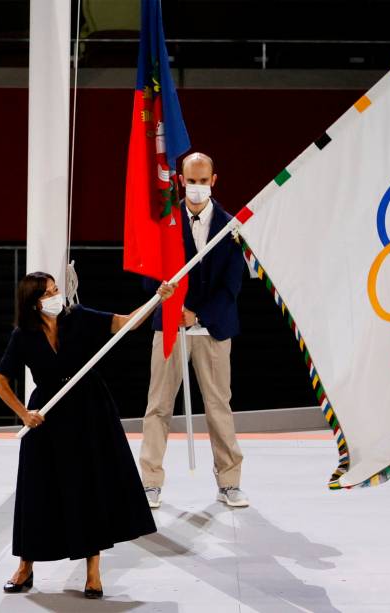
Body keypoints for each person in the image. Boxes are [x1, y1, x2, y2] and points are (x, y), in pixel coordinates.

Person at [0, 271, 175, 598]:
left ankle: (93, 572)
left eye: (56, 289)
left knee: (90, 487)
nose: (56, 296)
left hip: (89, 409)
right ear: (34, 303)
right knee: (37, 491)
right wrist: (24, 413)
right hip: (47, 416)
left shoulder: (79, 318)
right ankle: (25, 566)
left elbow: (126, 323)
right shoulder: (23, 336)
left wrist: (158, 298)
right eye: (48, 292)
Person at [140, 152, 249, 509]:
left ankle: (229, 483)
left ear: (214, 181)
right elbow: (149, 277)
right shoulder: (164, 223)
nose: (198, 187)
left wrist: (197, 314)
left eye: (205, 181)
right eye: (192, 180)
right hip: (170, 325)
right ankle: (150, 482)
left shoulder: (232, 228)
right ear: (181, 181)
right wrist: (172, 305)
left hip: (214, 328)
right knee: (158, 406)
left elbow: (233, 284)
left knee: (219, 406)